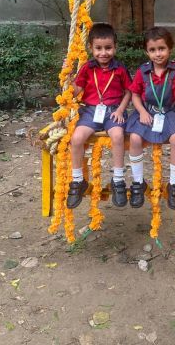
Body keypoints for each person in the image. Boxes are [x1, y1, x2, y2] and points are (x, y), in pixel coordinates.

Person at [126, 26, 175, 210]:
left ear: (169, 49)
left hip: (168, 112)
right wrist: (142, 112)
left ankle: (174, 185)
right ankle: (138, 183)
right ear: (147, 52)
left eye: (161, 49)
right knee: (134, 138)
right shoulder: (143, 71)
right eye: (152, 50)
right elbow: (135, 94)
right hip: (147, 112)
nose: (157, 54)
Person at [66, 23, 131, 209]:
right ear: (91, 48)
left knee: (117, 136)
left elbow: (129, 91)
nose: (103, 53)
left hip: (113, 111)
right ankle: (78, 180)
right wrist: (67, 78)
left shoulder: (119, 69)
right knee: (76, 138)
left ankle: (118, 180)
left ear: (115, 47)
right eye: (98, 48)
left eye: (108, 48)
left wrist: (120, 110)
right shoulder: (87, 68)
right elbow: (76, 90)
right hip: (90, 111)